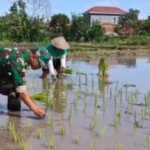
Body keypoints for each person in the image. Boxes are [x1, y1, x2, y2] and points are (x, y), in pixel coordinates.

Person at [0, 47, 46, 118]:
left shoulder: (25, 55)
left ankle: (12, 114)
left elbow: (18, 82)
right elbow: (21, 89)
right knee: (17, 88)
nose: (39, 67)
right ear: (34, 57)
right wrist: (35, 109)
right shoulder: (17, 60)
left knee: (14, 89)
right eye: (40, 64)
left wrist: (33, 103)